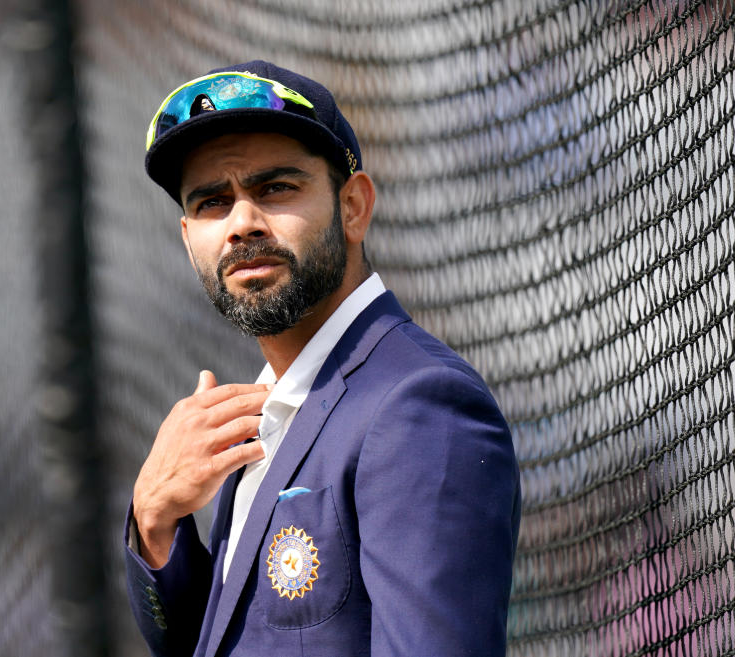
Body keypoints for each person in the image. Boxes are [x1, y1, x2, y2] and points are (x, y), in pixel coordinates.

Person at [124, 60, 521, 657]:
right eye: (212, 202)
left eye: (275, 188)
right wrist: (155, 522)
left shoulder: (419, 405)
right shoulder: (270, 415)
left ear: (354, 206)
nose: (241, 224)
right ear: (188, 238)